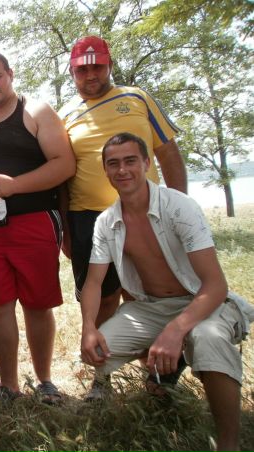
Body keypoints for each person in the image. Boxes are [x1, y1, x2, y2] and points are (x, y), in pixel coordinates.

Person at [80, 132, 253, 452]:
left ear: (147, 163)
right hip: (151, 307)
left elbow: (215, 285)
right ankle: (166, 370)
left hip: (201, 301)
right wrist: (88, 327)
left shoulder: (179, 206)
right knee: (98, 352)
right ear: (105, 170)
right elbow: (93, 282)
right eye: (113, 163)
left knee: (208, 338)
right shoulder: (106, 221)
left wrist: (176, 330)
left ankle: (229, 443)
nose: (122, 170)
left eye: (130, 161)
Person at [0, 51, 76, 404]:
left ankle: (44, 381)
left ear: (10, 74)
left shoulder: (36, 111)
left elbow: (65, 164)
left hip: (34, 221)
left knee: (37, 305)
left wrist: (16, 186)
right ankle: (9, 385)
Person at [59, 35, 187, 327]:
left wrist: (179, 208)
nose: (91, 75)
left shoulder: (138, 98)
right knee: (100, 298)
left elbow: (168, 154)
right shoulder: (63, 116)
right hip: (88, 219)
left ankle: (151, 355)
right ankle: (98, 351)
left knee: (147, 294)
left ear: (110, 65)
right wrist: (66, 231)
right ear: (72, 72)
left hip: (146, 212)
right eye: (82, 69)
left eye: (98, 67)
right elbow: (63, 177)